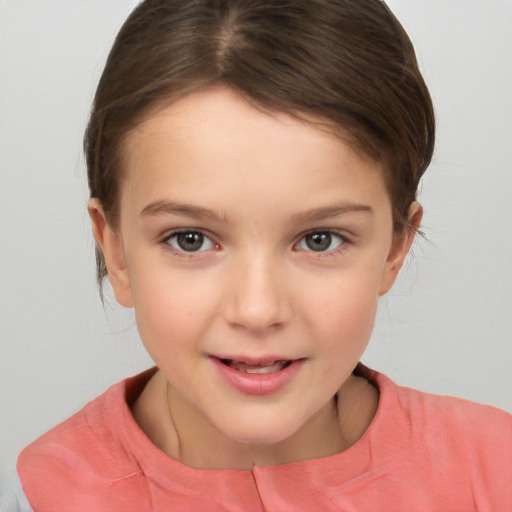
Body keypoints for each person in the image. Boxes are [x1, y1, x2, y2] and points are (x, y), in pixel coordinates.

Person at [11, 0, 511, 510]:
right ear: (114, 250)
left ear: (394, 248)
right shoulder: (47, 491)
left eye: (320, 239)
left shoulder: (495, 469)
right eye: (190, 239)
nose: (257, 310)